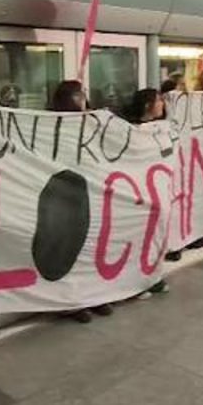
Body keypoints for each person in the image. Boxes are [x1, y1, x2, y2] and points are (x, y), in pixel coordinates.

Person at [49, 81, 115, 323]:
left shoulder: (92, 119)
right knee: (69, 246)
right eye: (78, 94)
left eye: (83, 93)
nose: (83, 98)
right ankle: (70, 301)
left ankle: (94, 295)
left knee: (91, 246)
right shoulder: (52, 122)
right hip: (65, 192)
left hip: (92, 189)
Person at [124, 89, 173, 298]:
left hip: (156, 193)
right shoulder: (129, 130)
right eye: (158, 100)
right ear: (147, 105)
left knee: (155, 238)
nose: (162, 103)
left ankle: (152, 277)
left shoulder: (163, 129)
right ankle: (134, 282)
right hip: (137, 194)